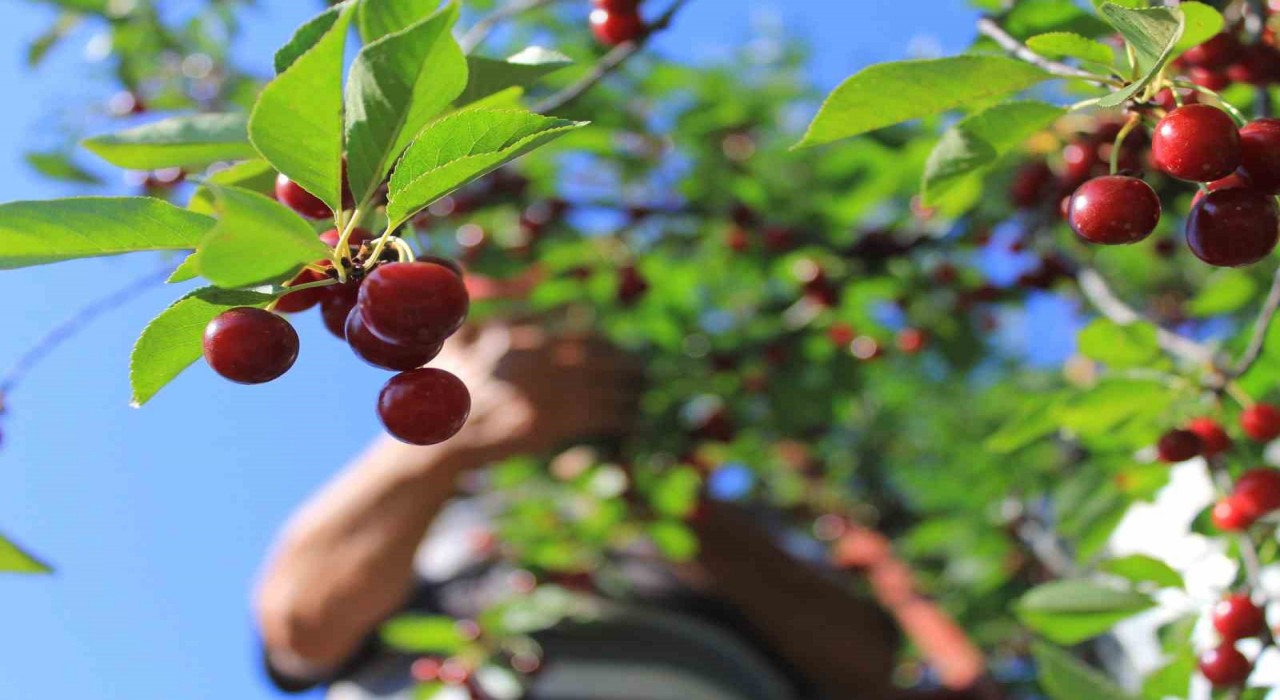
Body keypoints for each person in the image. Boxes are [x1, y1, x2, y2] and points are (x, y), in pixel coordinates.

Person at [254, 320, 1001, 700]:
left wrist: (664, 501)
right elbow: (298, 627)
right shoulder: (438, 519)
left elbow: (870, 674)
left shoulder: (726, 527)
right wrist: (450, 435)